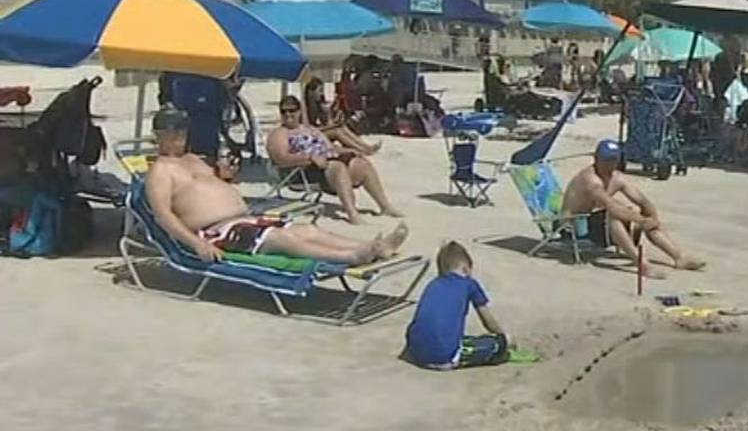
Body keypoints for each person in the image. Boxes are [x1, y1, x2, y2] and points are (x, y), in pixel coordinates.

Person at [145, 107, 406, 264]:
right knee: (280, 239)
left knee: (306, 229)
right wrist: (196, 244)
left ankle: (368, 247)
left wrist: (226, 177)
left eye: (183, 131)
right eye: (175, 133)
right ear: (160, 136)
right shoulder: (160, 171)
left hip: (245, 219)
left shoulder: (194, 159)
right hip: (217, 232)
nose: (182, 137)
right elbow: (163, 216)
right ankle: (351, 257)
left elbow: (210, 189)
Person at [562, 139, 706, 276]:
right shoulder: (590, 180)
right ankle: (642, 265)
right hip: (573, 226)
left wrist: (652, 217)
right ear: (596, 159)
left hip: (592, 221)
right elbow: (611, 207)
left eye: (613, 160)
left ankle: (679, 257)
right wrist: (642, 221)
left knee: (636, 212)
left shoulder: (616, 177)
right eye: (606, 160)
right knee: (615, 214)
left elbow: (642, 200)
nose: (609, 164)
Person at [266, 95, 402, 224]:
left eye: (292, 110)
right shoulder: (279, 134)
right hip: (301, 171)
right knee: (338, 168)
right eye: (284, 111)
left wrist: (349, 151)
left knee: (361, 164)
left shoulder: (310, 129)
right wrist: (310, 158)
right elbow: (280, 159)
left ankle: (385, 206)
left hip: (326, 163)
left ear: (299, 111)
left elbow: (330, 148)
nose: (288, 114)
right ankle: (352, 213)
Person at [402, 241, 510, 370]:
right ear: (466, 268)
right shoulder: (469, 284)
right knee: (497, 343)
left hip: (416, 354)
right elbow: (489, 323)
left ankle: (428, 349)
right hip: (445, 358)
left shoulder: (432, 284)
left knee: (435, 332)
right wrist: (504, 336)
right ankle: (499, 346)